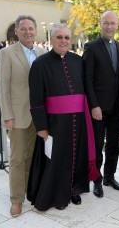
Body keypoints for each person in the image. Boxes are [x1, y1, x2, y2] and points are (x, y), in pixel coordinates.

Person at [26, 24, 99, 211]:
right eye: (59, 37)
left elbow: (85, 87)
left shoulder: (77, 60)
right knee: (56, 160)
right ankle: (56, 194)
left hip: (78, 119)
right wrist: (41, 126)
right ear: (52, 39)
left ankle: (74, 190)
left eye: (67, 37)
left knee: (76, 156)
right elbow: (35, 98)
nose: (64, 41)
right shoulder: (40, 63)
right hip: (55, 122)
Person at [0, 15, 47, 217]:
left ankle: (30, 190)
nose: (28, 32)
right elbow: (3, 87)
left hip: (40, 116)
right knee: (17, 159)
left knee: (33, 157)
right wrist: (7, 116)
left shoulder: (42, 52)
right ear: (17, 31)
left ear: (36, 31)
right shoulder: (7, 53)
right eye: (23, 29)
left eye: (31, 29)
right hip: (17, 115)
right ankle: (17, 199)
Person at [83, 11, 119, 198]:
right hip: (99, 108)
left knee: (113, 145)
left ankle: (110, 176)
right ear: (100, 24)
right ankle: (97, 180)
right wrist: (94, 105)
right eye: (106, 23)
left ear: (117, 25)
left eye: (113, 23)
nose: (109, 27)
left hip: (117, 107)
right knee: (97, 146)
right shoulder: (91, 47)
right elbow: (87, 78)